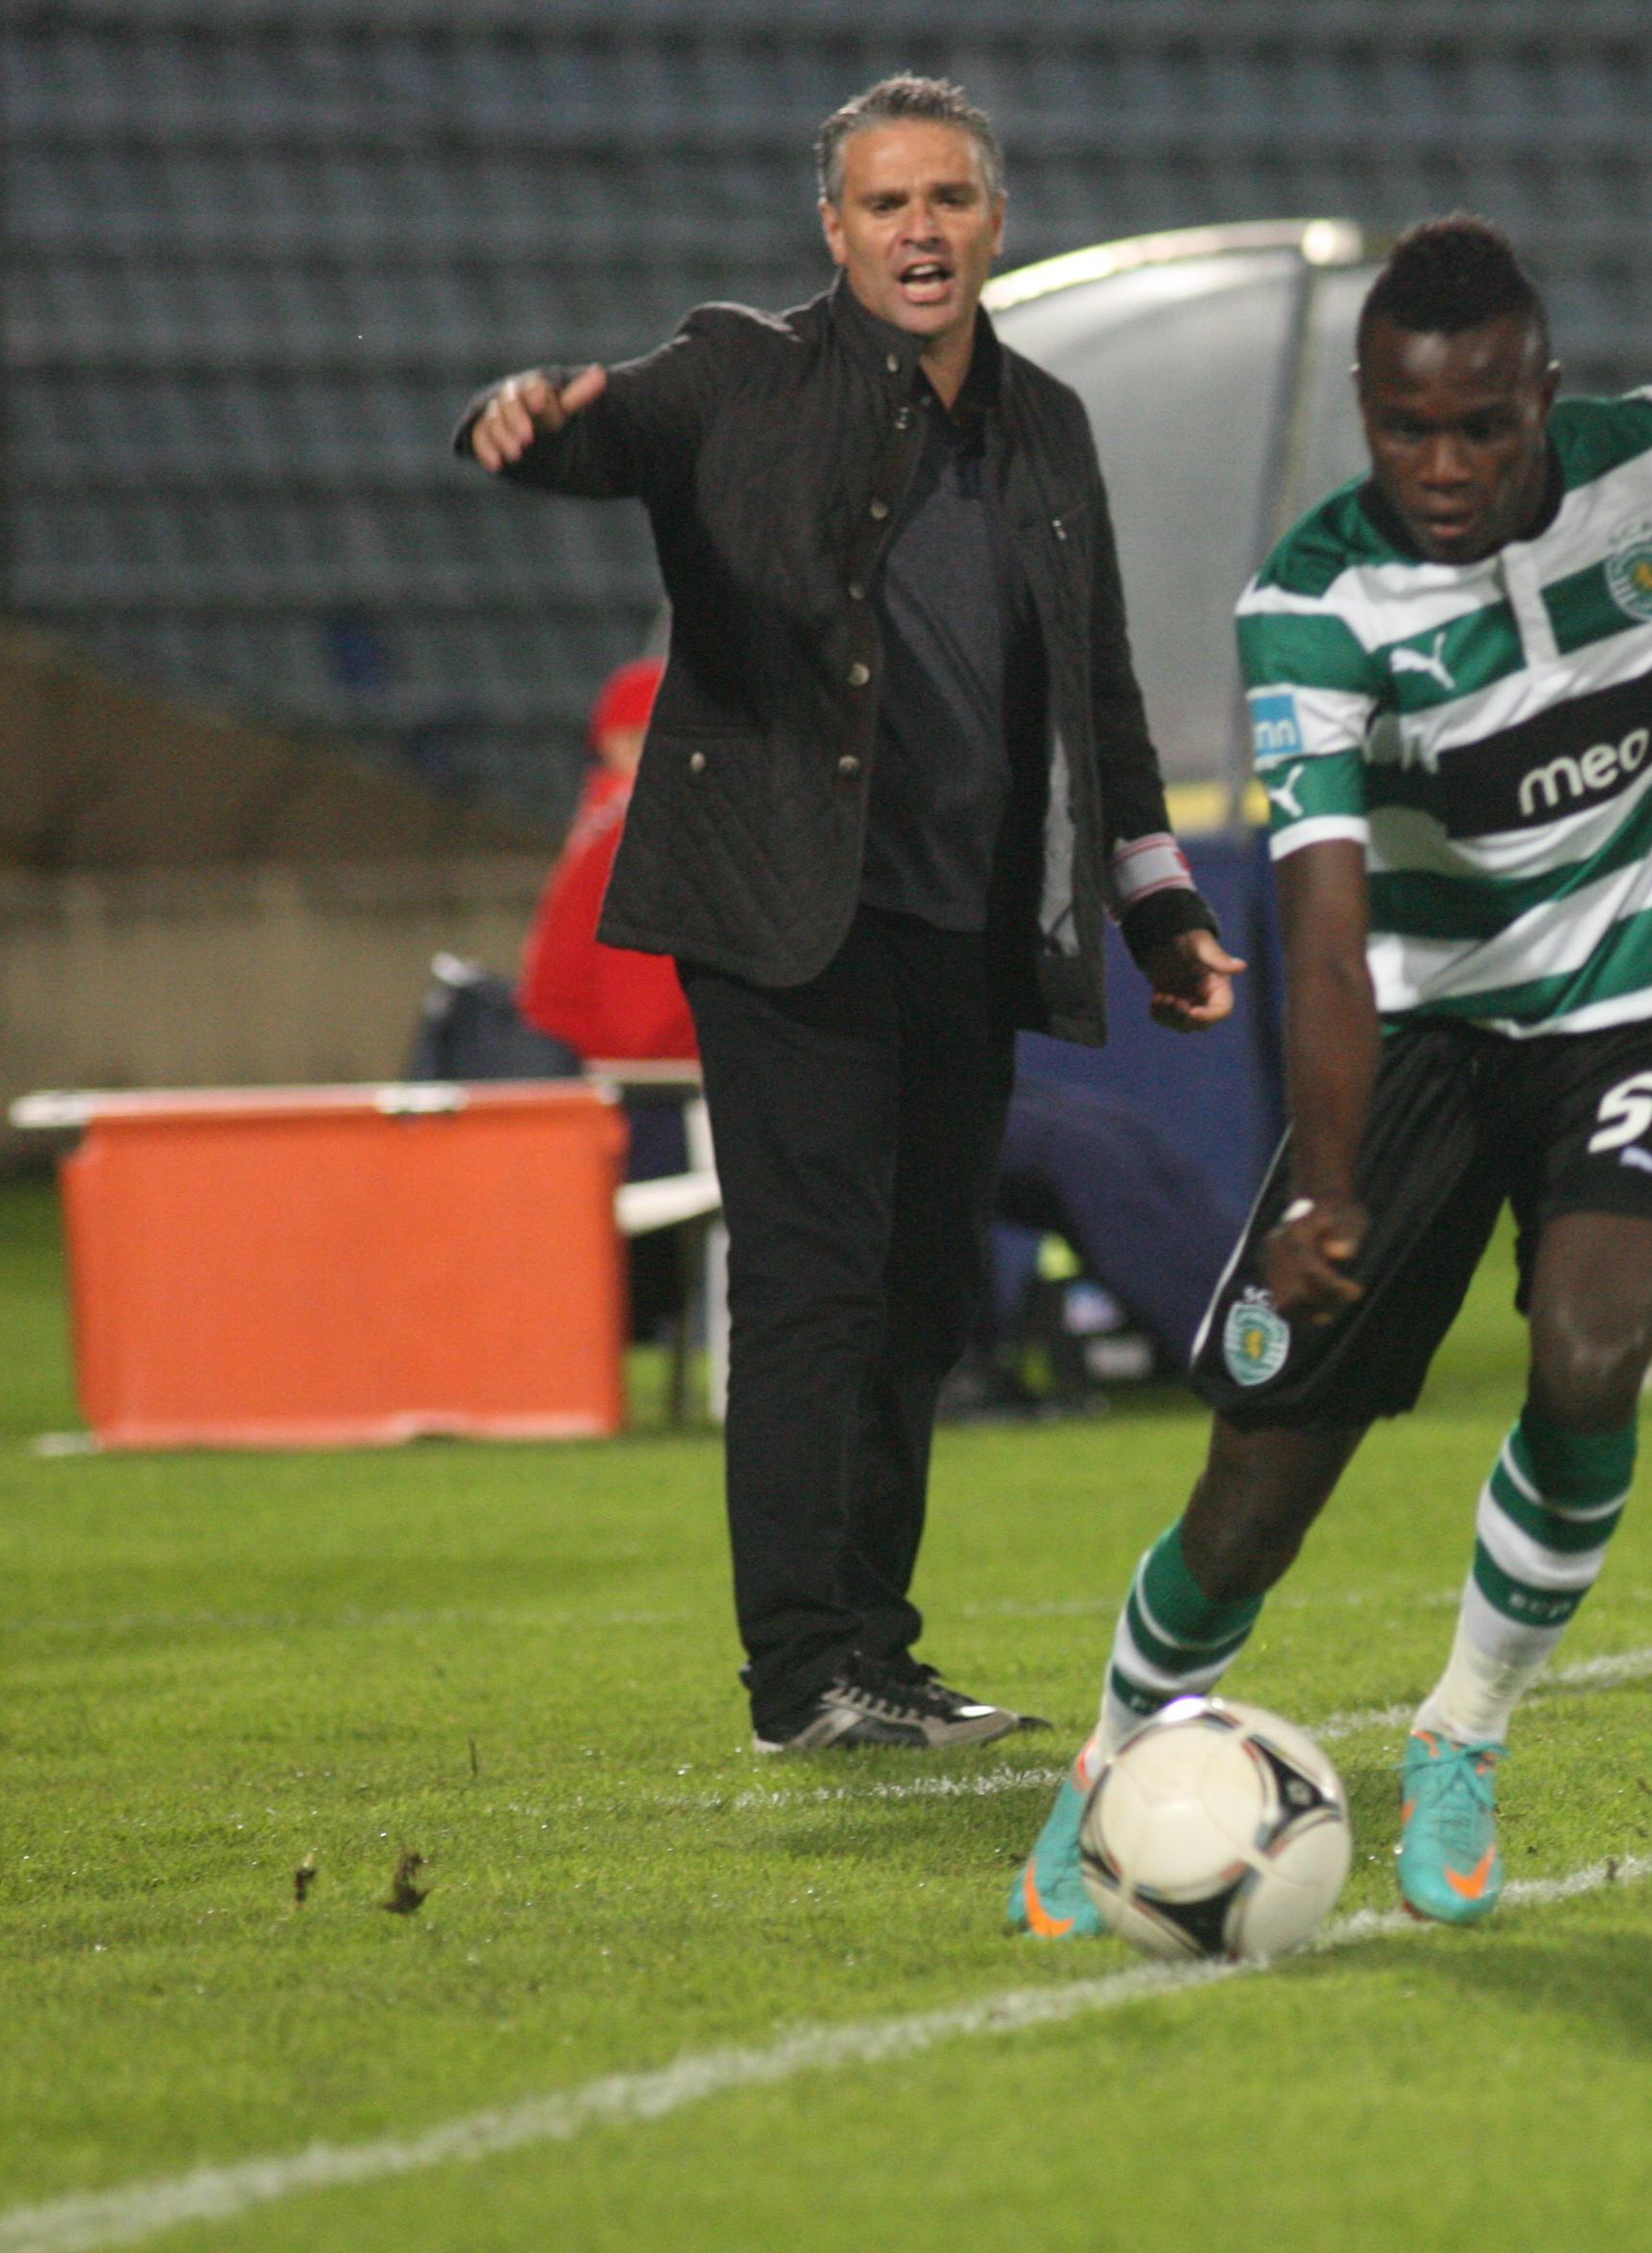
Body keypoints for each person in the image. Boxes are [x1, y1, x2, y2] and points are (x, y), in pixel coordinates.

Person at [1008, 216, 1652, 1937]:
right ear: (1365, 411)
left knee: (1591, 1357)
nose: (1439, 468)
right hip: (1421, 1022)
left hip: (1644, 994)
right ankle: (1108, 1765)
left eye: (1479, 430)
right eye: (1402, 429)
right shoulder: (1312, 605)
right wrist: (1321, 1181)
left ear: (1543, 397)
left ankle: (1460, 1733)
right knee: (1253, 1488)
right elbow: (1317, 922)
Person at [456, 76, 1245, 1756]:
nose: (917, 231)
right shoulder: (738, 369)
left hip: (964, 919)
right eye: (884, 204)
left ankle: (873, 1652)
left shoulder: (1045, 422)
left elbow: (1094, 682)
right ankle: (797, 1668)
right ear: (834, 230)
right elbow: (610, 432)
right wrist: (525, 415)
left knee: (921, 1290)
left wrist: (1155, 901)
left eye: (947, 200)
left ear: (993, 223)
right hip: (779, 907)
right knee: (813, 1285)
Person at [518, 654, 699, 1065]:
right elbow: (642, 1023)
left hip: (583, 1063)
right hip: (615, 1082)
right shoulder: (643, 822)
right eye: (644, 737)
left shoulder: (614, 814)